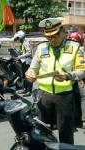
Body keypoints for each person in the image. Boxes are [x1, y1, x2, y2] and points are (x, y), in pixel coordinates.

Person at [25, 17, 85, 145]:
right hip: (44, 95)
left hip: (65, 96)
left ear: (63, 31)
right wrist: (29, 74)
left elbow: (82, 71)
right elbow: (32, 68)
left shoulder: (75, 47)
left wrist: (68, 75)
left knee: (65, 132)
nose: (52, 39)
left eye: (55, 35)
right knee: (41, 130)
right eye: (48, 36)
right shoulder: (41, 48)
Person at [68, 31, 85, 129]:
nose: (71, 42)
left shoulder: (80, 50)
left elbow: (81, 66)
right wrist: (80, 79)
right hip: (72, 77)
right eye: (70, 40)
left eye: (74, 40)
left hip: (78, 76)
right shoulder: (74, 50)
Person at [13, 30, 33, 97]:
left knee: (28, 76)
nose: (17, 40)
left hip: (27, 62)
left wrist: (20, 56)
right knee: (24, 76)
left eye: (18, 38)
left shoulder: (25, 43)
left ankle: (29, 91)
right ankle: (25, 89)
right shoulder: (22, 44)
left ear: (21, 37)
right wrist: (15, 50)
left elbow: (29, 53)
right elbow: (21, 52)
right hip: (23, 62)